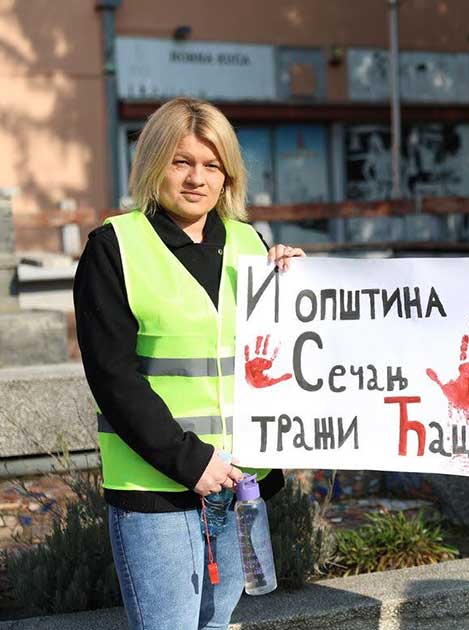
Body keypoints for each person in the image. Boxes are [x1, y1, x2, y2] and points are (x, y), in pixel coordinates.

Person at [73, 97, 304, 630]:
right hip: (156, 488)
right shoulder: (116, 247)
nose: (197, 178)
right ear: (155, 164)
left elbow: (278, 353)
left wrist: (300, 286)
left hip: (238, 486)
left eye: (212, 164)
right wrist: (190, 462)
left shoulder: (250, 242)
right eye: (182, 161)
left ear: (228, 175)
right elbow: (112, 377)